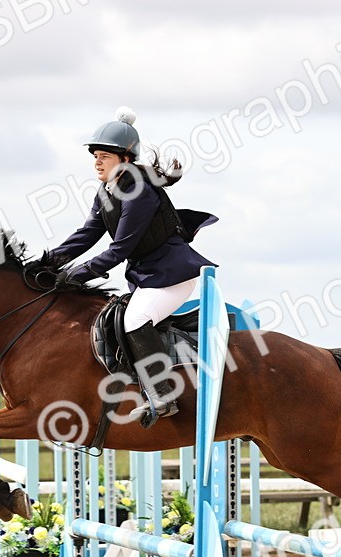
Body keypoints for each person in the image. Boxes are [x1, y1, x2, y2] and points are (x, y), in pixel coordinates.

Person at [48, 106, 217, 428]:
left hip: (171, 275)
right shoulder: (107, 190)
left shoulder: (138, 190)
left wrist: (73, 276)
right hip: (148, 276)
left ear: (125, 158)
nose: (96, 162)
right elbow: (87, 235)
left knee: (135, 319)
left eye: (104, 157)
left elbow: (120, 249)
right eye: (95, 156)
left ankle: (162, 395)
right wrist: (47, 263)